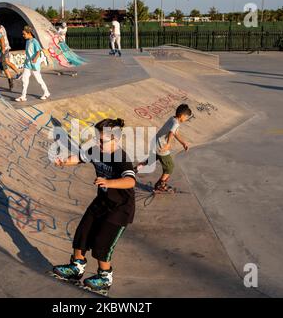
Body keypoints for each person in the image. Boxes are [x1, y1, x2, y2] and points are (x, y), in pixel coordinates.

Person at [51, 118, 136, 294]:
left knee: (101, 243)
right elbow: (79, 158)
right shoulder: (96, 150)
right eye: (97, 139)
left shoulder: (121, 158)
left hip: (120, 208)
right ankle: (76, 267)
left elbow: (130, 180)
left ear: (116, 140)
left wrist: (109, 182)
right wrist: (64, 161)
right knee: (83, 232)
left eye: (103, 141)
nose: (98, 143)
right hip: (102, 202)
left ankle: (105, 277)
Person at [136, 104, 192, 192]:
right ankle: (160, 185)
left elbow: (175, 133)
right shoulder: (176, 123)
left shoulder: (172, 118)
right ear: (182, 116)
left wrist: (183, 143)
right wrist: (168, 144)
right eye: (186, 117)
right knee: (170, 167)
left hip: (155, 142)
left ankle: (137, 168)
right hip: (161, 146)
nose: (186, 119)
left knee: (153, 158)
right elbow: (171, 133)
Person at [15, 26, 50, 102]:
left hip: (34, 64)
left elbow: (38, 51)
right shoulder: (27, 41)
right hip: (27, 64)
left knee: (39, 79)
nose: (23, 35)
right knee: (24, 79)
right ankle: (23, 96)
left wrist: (35, 59)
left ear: (29, 33)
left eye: (24, 34)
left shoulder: (34, 41)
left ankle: (46, 92)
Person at [0, 14, 22, 81]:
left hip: (4, 48)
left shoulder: (0, 29)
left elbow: (0, 41)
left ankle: (18, 72)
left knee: (6, 62)